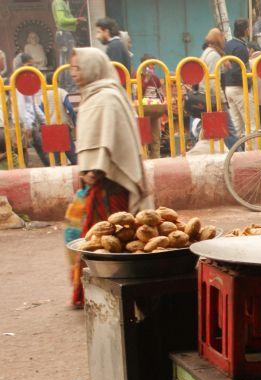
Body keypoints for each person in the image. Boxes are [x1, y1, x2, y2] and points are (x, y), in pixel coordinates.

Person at [68, 47, 151, 306]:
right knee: (95, 239)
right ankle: (88, 293)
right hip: (98, 184)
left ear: (93, 67)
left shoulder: (108, 98)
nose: (74, 73)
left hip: (113, 183)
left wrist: (96, 167)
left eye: (78, 67)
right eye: (73, 68)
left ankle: (119, 291)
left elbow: (110, 140)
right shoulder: (92, 95)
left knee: (116, 239)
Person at [223, 19, 251, 139]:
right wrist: (248, 85)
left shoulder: (228, 44)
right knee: (251, 122)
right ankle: (254, 151)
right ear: (245, 30)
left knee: (236, 124)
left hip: (228, 88)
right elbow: (237, 71)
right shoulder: (241, 48)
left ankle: (236, 152)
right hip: (239, 88)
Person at [52, 0, 85, 90]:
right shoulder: (59, 2)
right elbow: (61, 20)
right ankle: (69, 87)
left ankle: (64, 86)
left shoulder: (60, 2)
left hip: (64, 34)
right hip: (64, 34)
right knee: (69, 62)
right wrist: (75, 20)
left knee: (65, 61)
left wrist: (74, 21)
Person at [139, 54, 164, 159]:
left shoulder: (155, 78)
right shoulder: (136, 76)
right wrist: (146, 80)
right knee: (143, 137)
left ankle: (156, 157)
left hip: (155, 110)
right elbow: (137, 93)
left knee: (155, 136)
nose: (151, 68)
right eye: (149, 65)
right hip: (141, 111)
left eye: (153, 65)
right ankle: (144, 157)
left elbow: (160, 93)